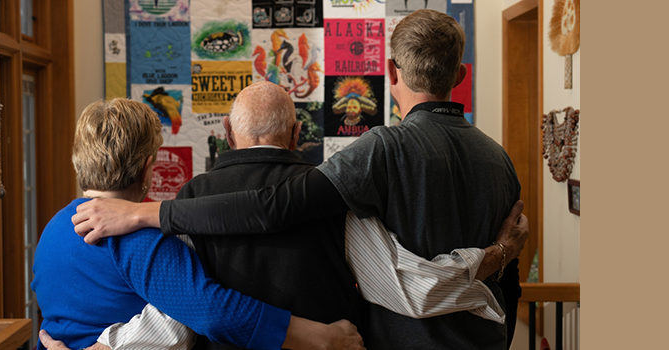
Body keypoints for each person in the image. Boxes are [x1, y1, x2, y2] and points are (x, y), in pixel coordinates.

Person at [73, 9, 526, 350]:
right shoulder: (500, 159)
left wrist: (145, 213)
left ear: (390, 73)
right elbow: (509, 281)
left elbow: (268, 209)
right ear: (460, 77)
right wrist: (498, 259)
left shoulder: (383, 148)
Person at [31, 98, 364, 350]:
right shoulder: (141, 239)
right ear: (148, 167)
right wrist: (322, 336)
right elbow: (213, 312)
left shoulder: (52, 229)